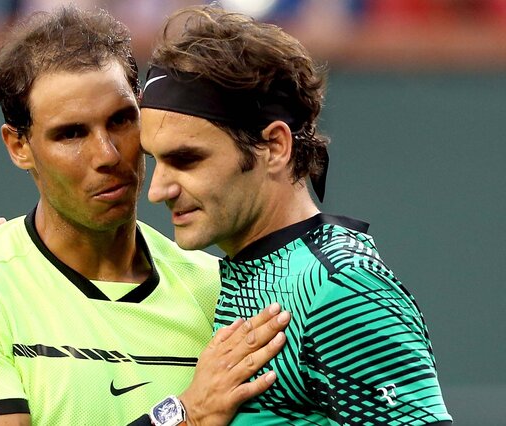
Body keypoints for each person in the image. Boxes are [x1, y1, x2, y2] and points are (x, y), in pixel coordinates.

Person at [0, 6, 289, 426]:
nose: (107, 155)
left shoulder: (222, 290)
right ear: (19, 146)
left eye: (121, 120)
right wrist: (185, 415)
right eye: (71, 134)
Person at [136, 5, 452, 425]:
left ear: (275, 147)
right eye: (155, 160)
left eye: (187, 159)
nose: (158, 190)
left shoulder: (338, 284)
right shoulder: (237, 275)